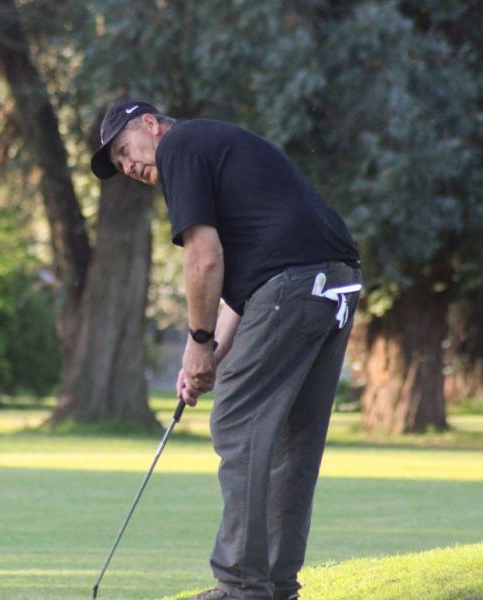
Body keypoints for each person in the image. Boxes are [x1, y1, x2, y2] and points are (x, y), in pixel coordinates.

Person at [90, 100, 362, 600]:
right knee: (291, 441)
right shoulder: (218, 147)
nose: (129, 167)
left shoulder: (182, 147)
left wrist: (195, 343)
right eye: (120, 166)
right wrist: (208, 357)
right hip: (333, 287)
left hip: (295, 286)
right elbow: (242, 291)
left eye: (125, 151)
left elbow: (204, 256)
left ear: (150, 125)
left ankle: (240, 586)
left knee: (237, 421)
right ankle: (276, 585)